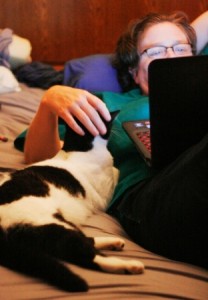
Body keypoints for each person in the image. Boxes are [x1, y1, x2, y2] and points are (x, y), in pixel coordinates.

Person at [22, 11, 208, 268]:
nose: (170, 56)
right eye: (155, 52)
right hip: (151, 198)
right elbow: (38, 158)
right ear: (134, 72)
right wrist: (49, 102)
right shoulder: (107, 103)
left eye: (180, 48)